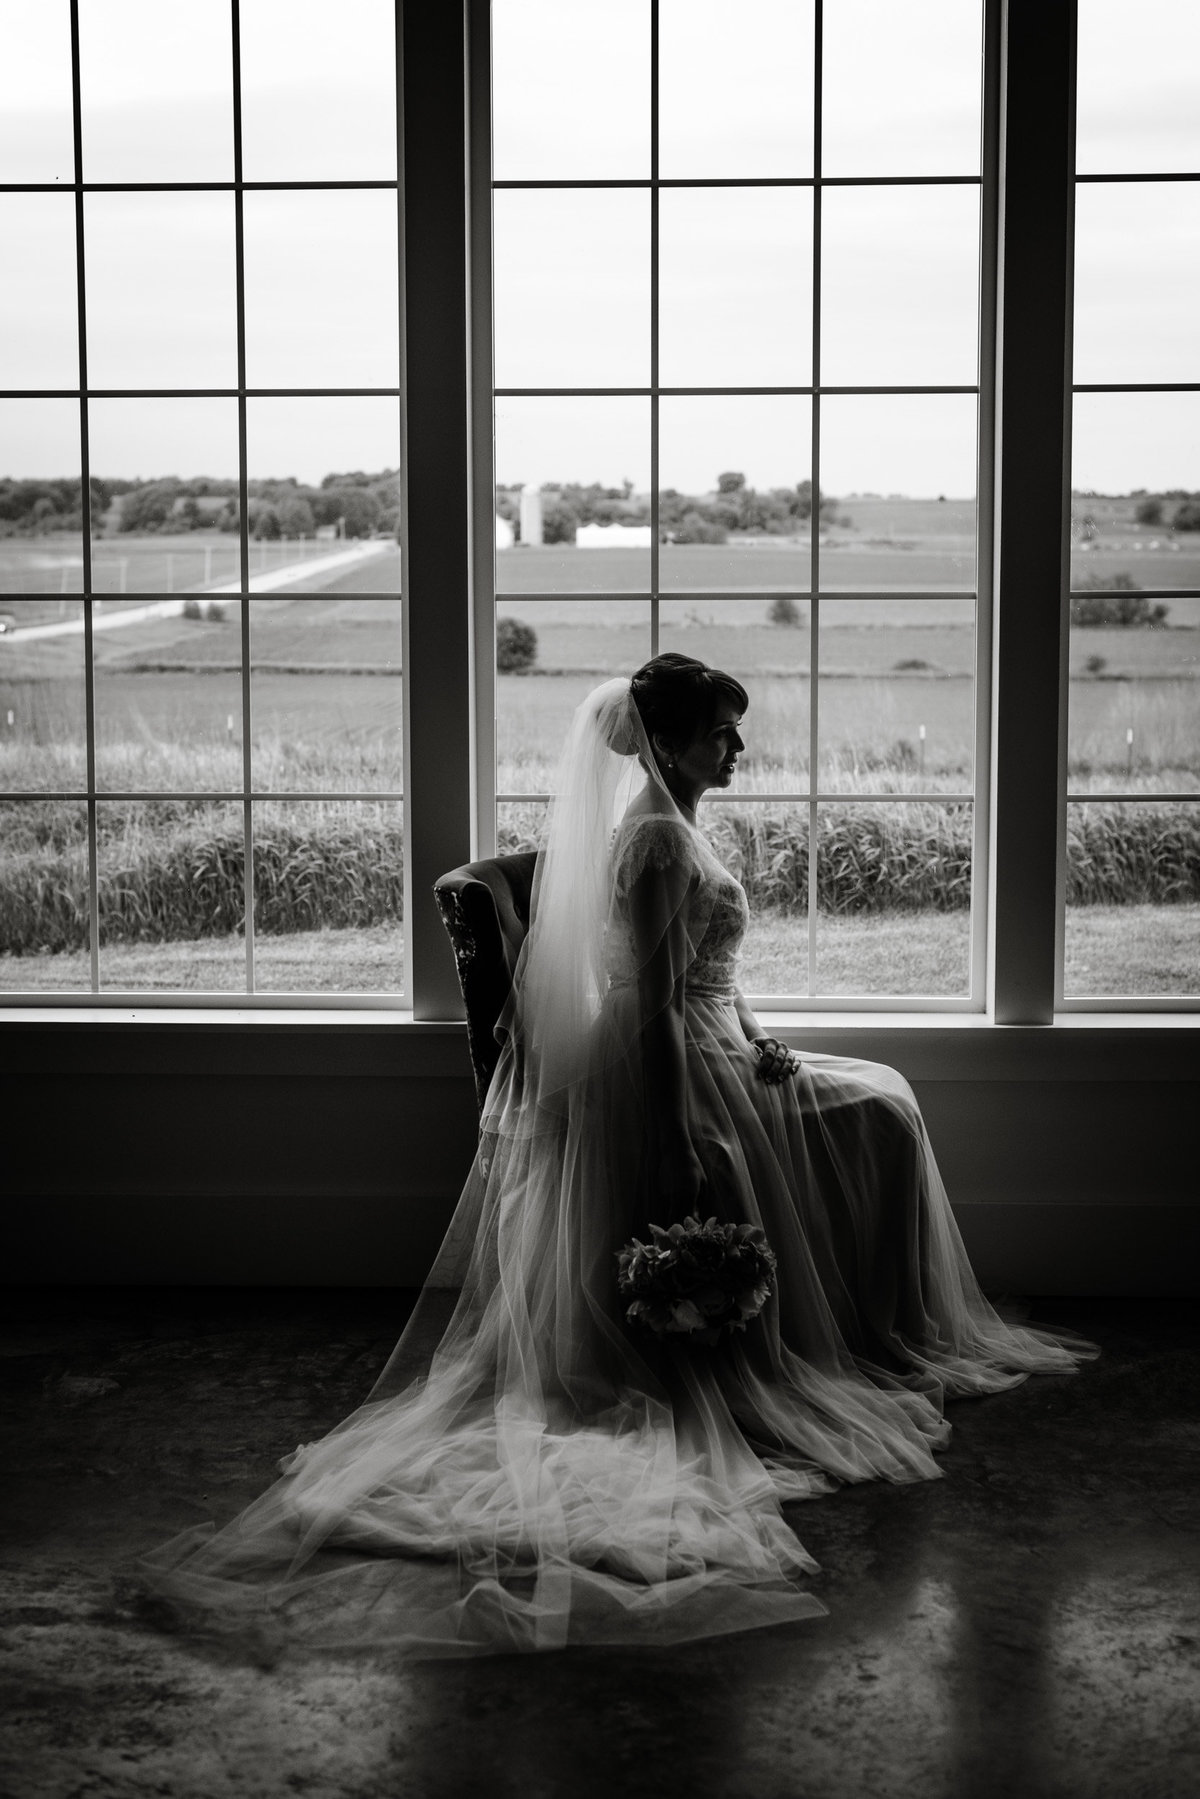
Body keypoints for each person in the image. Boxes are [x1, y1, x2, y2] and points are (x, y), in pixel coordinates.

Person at [139, 655, 1094, 1660]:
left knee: (885, 1094)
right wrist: (682, 1130)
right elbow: (649, 1009)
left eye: (736, 729)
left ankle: (867, 1330)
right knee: (883, 1113)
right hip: (671, 1067)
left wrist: (763, 1036)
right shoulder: (652, 842)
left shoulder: (676, 827)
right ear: (670, 741)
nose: (738, 748)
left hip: (721, 1043)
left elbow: (711, 971)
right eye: (722, 732)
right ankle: (855, 1341)